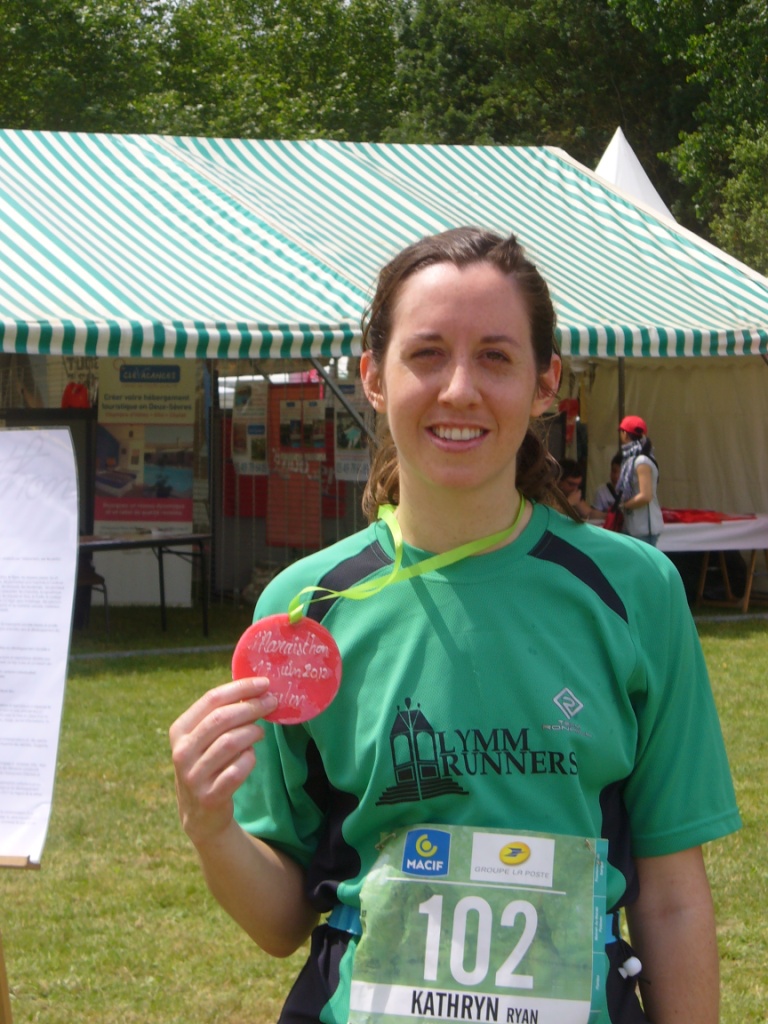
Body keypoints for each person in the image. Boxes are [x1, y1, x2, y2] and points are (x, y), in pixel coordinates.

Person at [170, 227, 740, 1024]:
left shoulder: (635, 589)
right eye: (427, 354)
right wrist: (210, 826)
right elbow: (280, 921)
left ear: (547, 383)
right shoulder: (304, 609)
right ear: (373, 377)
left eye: (497, 357)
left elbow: (674, 900)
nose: (460, 389)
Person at [617, 416, 664, 546]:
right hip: (635, 526)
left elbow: (645, 496)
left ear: (625, 434)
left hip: (643, 528)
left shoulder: (641, 461)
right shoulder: (634, 460)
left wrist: (623, 506)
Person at [591, 452, 623, 519]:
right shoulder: (601, 491)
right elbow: (594, 515)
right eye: (614, 471)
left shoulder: (633, 492)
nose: (616, 476)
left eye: (621, 473)